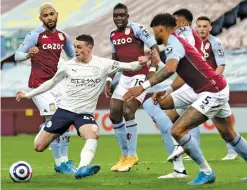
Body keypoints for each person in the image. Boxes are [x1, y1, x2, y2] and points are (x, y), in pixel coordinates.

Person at [124, 13, 247, 185]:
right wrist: (167, 89)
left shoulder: (173, 43)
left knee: (177, 131)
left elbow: (170, 68)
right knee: (228, 133)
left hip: (212, 91)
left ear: (160, 28)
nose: (154, 35)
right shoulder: (177, 42)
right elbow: (183, 73)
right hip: (215, 87)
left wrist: (143, 86)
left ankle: (206, 172)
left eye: (154, 31)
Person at [16, 34, 147, 179]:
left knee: (93, 133)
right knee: (38, 147)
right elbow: (51, 82)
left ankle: (82, 168)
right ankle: (44, 128)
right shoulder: (68, 66)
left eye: (79, 47)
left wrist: (141, 62)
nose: (76, 50)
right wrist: (28, 95)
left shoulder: (103, 64)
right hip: (64, 111)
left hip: (84, 115)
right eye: (75, 47)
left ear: (89, 48)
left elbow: (128, 66)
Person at [15, 2, 75, 174]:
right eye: (45, 16)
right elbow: (18, 54)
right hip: (39, 85)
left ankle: (64, 160)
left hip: (57, 83)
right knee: (55, 119)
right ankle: (59, 163)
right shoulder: (35, 35)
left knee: (65, 119)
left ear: (57, 14)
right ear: (41, 18)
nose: (49, 18)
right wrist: (27, 54)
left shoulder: (63, 37)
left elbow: (72, 57)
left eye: (51, 14)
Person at [143, 8, 202, 179]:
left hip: (199, 85)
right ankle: (180, 163)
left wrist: (148, 83)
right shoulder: (181, 40)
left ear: (184, 22)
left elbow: (175, 68)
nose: (174, 24)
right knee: (227, 131)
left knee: (159, 108)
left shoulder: (184, 36)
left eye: (177, 21)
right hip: (194, 82)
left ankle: (181, 147)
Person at [104, 3, 159, 172]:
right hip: (125, 77)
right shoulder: (113, 35)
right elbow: (115, 60)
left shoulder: (137, 29)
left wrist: (151, 72)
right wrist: (108, 79)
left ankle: (133, 155)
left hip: (140, 77)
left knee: (128, 110)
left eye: (122, 15)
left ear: (127, 16)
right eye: (116, 15)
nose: (119, 18)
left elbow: (155, 49)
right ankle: (124, 155)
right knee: (114, 113)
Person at [196, 16, 238, 160]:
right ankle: (192, 150)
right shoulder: (192, 43)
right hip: (198, 86)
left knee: (222, 121)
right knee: (189, 114)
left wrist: (211, 80)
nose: (201, 29)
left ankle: (233, 151)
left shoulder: (215, 42)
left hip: (215, 88)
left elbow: (221, 65)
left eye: (204, 26)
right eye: (199, 26)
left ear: (210, 28)